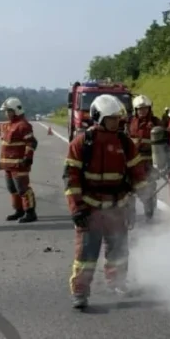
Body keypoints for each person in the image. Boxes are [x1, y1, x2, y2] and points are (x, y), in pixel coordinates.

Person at [63, 94, 150, 309]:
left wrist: (146, 196)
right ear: (98, 117)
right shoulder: (82, 143)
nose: (117, 122)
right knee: (86, 254)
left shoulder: (124, 142)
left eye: (117, 118)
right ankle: (80, 292)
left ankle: (118, 283)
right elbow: (70, 178)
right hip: (90, 208)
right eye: (112, 118)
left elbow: (137, 172)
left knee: (119, 251)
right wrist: (77, 209)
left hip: (118, 207)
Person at [0, 97, 38, 223]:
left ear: (16, 111)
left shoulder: (23, 126)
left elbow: (31, 142)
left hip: (19, 164)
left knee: (23, 189)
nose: (6, 114)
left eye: (8, 111)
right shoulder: (8, 125)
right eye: (5, 111)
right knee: (12, 189)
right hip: (8, 165)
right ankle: (18, 210)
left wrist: (28, 158)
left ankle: (30, 212)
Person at [126, 94, 161, 222]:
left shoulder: (156, 122)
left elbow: (163, 139)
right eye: (140, 109)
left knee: (149, 188)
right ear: (135, 110)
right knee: (129, 188)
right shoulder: (129, 122)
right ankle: (130, 214)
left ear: (149, 109)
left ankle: (149, 214)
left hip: (149, 161)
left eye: (145, 108)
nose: (142, 111)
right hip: (132, 161)